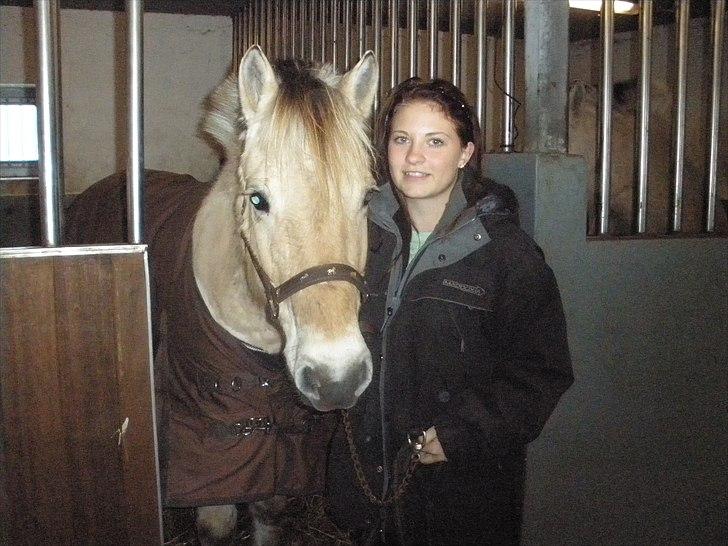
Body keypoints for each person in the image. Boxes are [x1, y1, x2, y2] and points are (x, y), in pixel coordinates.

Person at [325, 77, 574, 545]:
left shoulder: (508, 258)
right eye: (402, 139)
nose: (413, 157)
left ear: (465, 153)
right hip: (367, 483)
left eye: (434, 141)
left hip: (460, 496)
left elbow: (542, 373)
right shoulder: (356, 241)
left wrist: (465, 432)